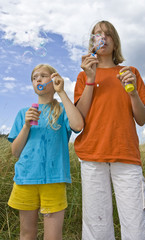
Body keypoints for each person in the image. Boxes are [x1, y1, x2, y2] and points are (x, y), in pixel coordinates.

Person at [74, 20, 145, 240]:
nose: (103, 38)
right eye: (97, 34)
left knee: (135, 223)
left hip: (125, 153)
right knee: (96, 225)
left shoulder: (130, 72)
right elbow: (79, 119)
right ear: (92, 43)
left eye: (108, 34)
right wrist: (90, 78)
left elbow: (142, 119)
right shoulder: (83, 76)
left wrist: (133, 93)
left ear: (115, 42)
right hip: (92, 154)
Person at [8, 64, 84, 240]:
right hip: (26, 179)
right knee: (27, 234)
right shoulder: (23, 114)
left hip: (54, 179)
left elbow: (78, 125)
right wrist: (26, 125)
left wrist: (62, 92)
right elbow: (15, 152)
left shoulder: (62, 110)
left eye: (43, 76)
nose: (38, 79)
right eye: (34, 77)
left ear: (53, 79)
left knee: (53, 237)